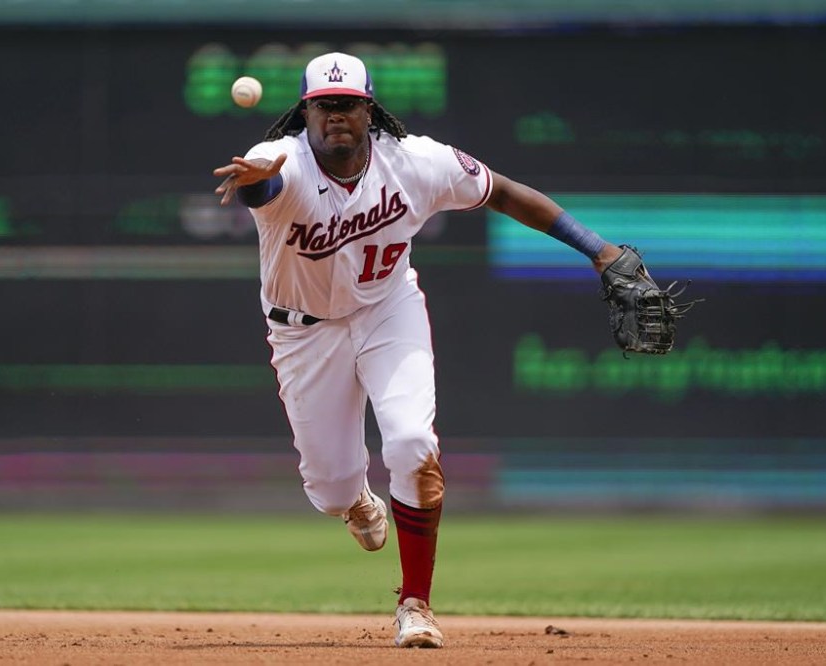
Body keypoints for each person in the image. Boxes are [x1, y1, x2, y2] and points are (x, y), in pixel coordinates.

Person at [213, 52, 622, 649]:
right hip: (303, 332)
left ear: (369, 109)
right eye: (323, 106)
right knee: (328, 490)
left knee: (410, 442)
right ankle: (354, 500)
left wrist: (597, 248)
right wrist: (256, 184)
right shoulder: (282, 161)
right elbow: (264, 187)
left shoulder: (416, 162)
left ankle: (415, 604)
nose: (335, 117)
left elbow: (502, 193)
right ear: (305, 112)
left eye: (348, 104)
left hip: (387, 310)